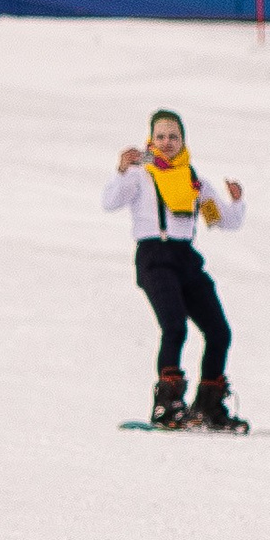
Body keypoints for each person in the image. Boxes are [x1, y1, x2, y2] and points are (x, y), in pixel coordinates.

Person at [103, 109, 249, 430]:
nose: (166, 143)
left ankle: (208, 408)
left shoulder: (193, 180)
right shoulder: (141, 174)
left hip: (185, 258)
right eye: (160, 137)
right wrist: (122, 170)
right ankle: (167, 405)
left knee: (219, 332)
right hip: (154, 257)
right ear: (150, 139)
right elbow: (111, 201)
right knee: (175, 326)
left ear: (183, 140)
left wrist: (235, 202)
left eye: (173, 137)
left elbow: (221, 220)